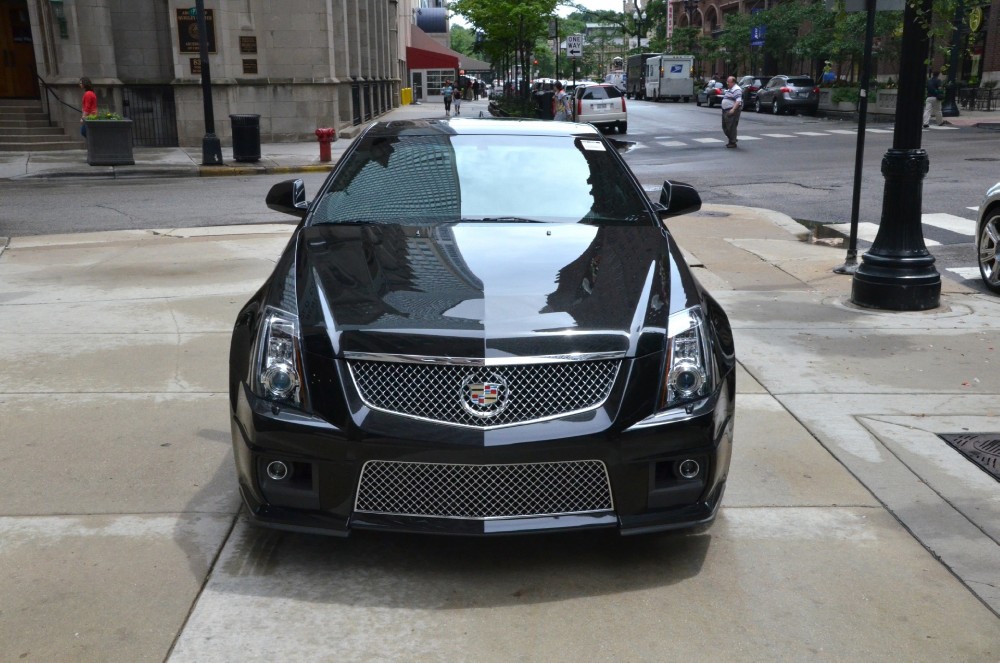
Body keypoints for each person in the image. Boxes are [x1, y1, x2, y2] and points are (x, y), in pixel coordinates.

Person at [721, 75, 743, 148]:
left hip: (731, 109)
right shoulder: (730, 89)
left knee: (731, 126)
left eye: (729, 82)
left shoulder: (737, 89)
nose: (727, 83)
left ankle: (732, 142)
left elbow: (738, 100)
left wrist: (733, 109)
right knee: (725, 126)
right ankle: (732, 140)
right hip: (726, 109)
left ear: (733, 82)